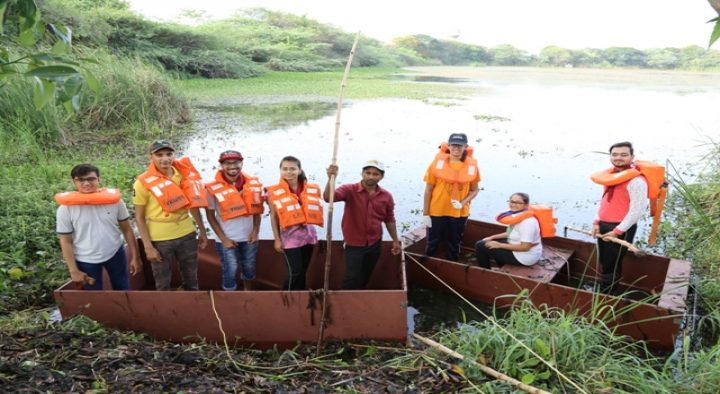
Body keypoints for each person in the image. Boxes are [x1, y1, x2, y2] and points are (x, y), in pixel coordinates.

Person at [133, 140, 208, 291]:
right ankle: (165, 310)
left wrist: (202, 231)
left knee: (192, 278)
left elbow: (193, 206)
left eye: (169, 154)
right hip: (160, 239)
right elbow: (139, 217)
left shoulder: (183, 175)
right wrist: (148, 247)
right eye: (159, 155)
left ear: (174, 155)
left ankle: (191, 306)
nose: (165, 158)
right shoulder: (142, 183)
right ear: (151, 157)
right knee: (162, 282)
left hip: (186, 234)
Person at [55, 164, 140, 290]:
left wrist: (135, 257)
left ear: (98, 179)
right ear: (74, 182)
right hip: (86, 259)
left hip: (115, 253)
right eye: (81, 180)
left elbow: (127, 230)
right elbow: (65, 241)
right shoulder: (65, 209)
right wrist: (73, 270)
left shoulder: (115, 202)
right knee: (94, 296)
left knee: (123, 288)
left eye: (91, 179)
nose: (87, 183)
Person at [324, 160, 402, 289]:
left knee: (366, 274)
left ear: (381, 176)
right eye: (368, 173)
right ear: (362, 173)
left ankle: (359, 297)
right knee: (351, 276)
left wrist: (395, 240)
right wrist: (331, 178)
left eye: (375, 174)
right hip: (353, 244)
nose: (371, 176)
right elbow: (328, 198)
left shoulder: (386, 196)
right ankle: (346, 301)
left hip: (374, 242)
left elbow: (389, 219)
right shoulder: (349, 189)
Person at [591, 141, 649, 292]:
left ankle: (608, 295)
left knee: (612, 264)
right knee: (604, 260)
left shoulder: (636, 181)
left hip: (621, 227)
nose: (618, 158)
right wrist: (597, 221)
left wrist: (618, 231)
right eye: (615, 154)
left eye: (624, 155)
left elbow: (638, 210)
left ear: (632, 157)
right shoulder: (610, 176)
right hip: (603, 224)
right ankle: (605, 288)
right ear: (610, 156)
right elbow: (605, 201)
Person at [205, 150, 263, 291]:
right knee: (230, 270)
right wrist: (223, 238)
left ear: (241, 163)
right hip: (226, 238)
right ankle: (230, 297)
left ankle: (247, 292)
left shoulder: (253, 185)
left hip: (249, 237)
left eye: (236, 162)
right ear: (221, 166)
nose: (232, 166)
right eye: (227, 163)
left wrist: (255, 232)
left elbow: (257, 212)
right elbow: (210, 216)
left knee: (249, 266)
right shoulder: (211, 188)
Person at [266, 156, 323, 290]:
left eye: (292, 169)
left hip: (308, 236)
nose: (289, 172)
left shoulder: (311, 188)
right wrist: (276, 239)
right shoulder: (273, 192)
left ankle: (301, 297)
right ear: (280, 170)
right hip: (289, 238)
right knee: (295, 272)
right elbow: (273, 216)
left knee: (303, 271)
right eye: (285, 169)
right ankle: (287, 299)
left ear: (299, 170)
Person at [422, 133, 481, 261]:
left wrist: (463, 203)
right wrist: (426, 213)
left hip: (459, 212)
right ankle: (428, 263)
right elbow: (428, 189)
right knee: (432, 241)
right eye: (454, 145)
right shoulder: (436, 164)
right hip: (437, 210)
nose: (457, 149)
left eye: (460, 146)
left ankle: (452, 263)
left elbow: (475, 190)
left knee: (455, 241)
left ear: (466, 147)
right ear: (448, 146)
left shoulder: (472, 167)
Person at [474, 193, 542, 269]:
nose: (513, 204)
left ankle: (485, 271)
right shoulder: (518, 215)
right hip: (518, 248)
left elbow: (525, 247)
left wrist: (500, 245)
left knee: (480, 245)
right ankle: (501, 266)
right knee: (493, 241)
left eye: (518, 203)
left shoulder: (528, 222)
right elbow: (510, 233)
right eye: (512, 201)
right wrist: (491, 237)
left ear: (526, 205)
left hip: (524, 257)